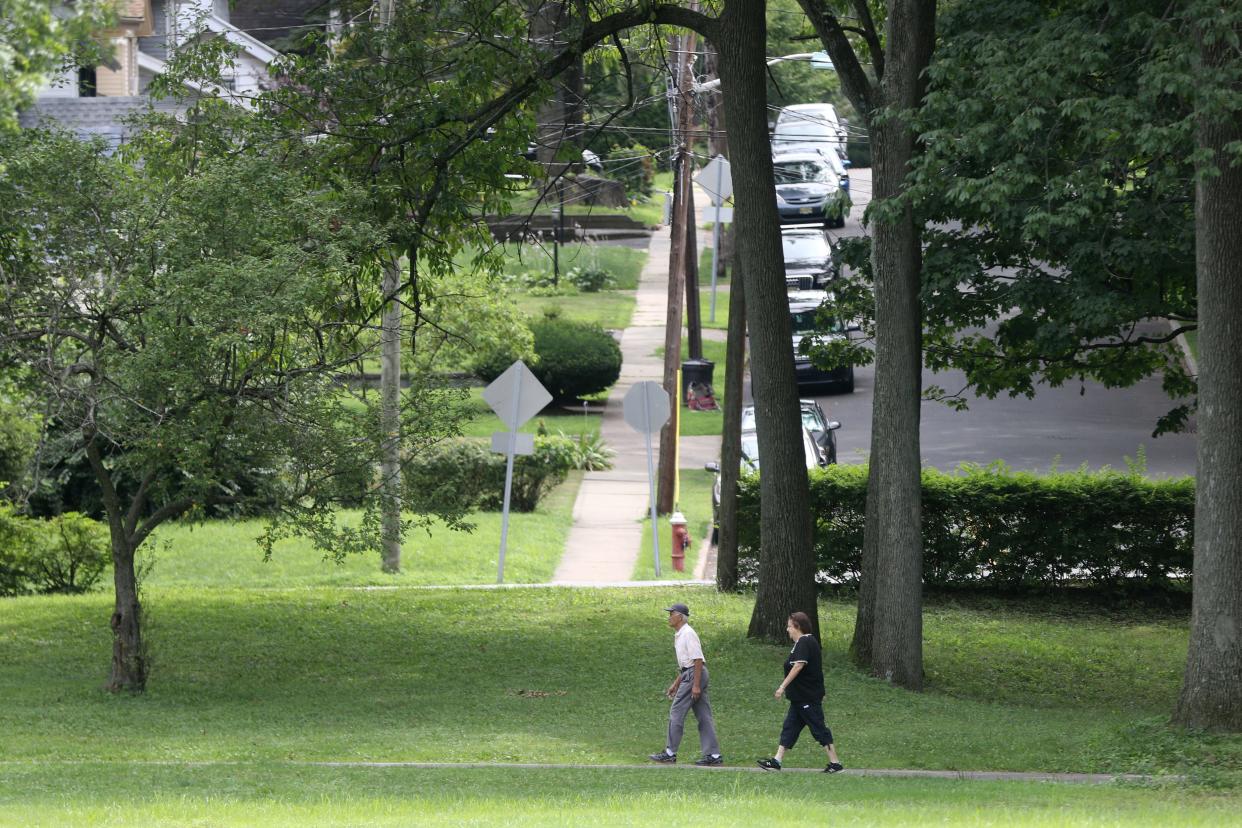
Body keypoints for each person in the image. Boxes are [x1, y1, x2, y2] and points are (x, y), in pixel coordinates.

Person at [757, 611, 844, 773]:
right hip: (799, 699)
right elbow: (816, 670)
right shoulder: (802, 643)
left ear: (798, 627)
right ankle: (776, 761)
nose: (787, 629)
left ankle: (836, 764)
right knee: (789, 728)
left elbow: (799, 666)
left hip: (807, 697)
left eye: (789, 626)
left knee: (819, 728)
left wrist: (782, 686)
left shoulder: (805, 642)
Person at [648, 602, 723, 766]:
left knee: (676, 711)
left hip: (695, 674)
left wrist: (695, 685)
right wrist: (676, 683)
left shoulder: (688, 633)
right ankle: (714, 755)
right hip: (691, 674)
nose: (669, 617)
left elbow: (697, 660)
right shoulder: (681, 634)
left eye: (671, 614)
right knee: (704, 715)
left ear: (680, 617)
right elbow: (686, 665)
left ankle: (670, 753)